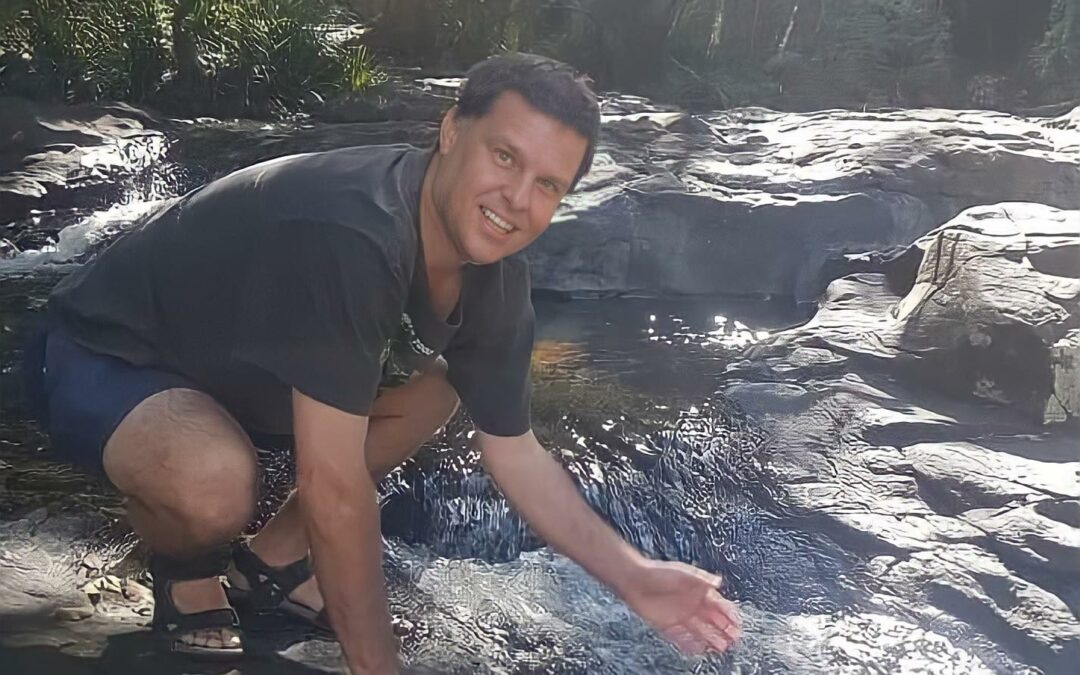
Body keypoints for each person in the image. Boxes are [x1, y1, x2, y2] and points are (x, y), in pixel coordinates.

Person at [22, 53, 742, 673]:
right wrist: (378, 663)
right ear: (452, 129)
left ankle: (271, 561)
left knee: (436, 391)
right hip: (100, 352)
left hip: (232, 375)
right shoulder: (355, 229)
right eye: (504, 156)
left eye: (548, 185)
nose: (517, 201)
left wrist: (634, 574)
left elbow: (518, 455)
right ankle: (186, 572)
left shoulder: (496, 285)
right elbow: (333, 486)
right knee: (215, 485)